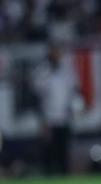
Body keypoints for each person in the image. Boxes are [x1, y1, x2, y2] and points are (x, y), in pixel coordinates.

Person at [32, 45, 78, 175]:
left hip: (64, 119)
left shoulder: (67, 73)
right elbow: (36, 99)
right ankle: (48, 179)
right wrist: (42, 120)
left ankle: (64, 179)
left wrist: (74, 110)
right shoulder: (42, 73)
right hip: (49, 120)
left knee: (63, 152)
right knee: (49, 154)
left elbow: (73, 95)